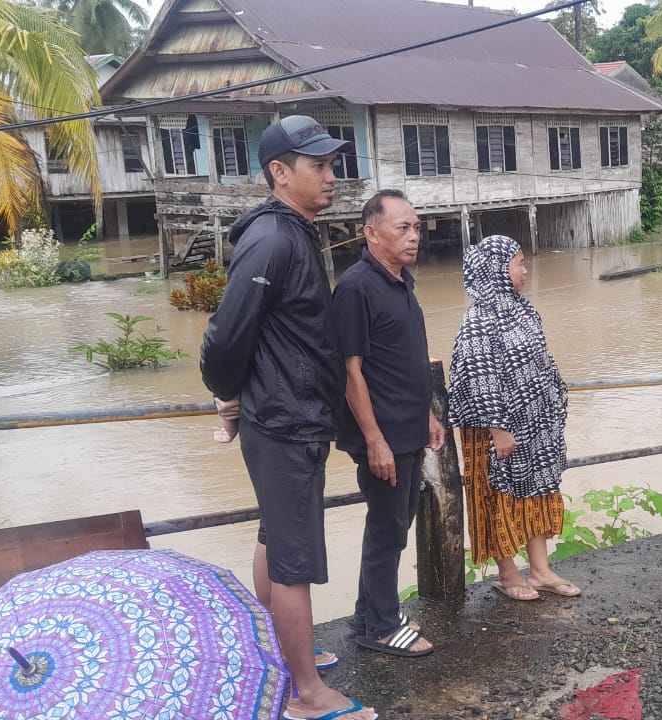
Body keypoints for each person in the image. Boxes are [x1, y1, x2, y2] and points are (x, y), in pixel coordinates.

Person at [201, 115, 376, 720]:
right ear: (279, 172)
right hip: (284, 421)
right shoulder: (273, 240)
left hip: (291, 413)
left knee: (275, 536)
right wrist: (226, 393)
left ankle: (280, 649)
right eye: (318, 166)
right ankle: (305, 693)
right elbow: (226, 335)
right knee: (293, 557)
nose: (332, 176)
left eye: (333, 164)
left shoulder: (294, 231)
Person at [332, 190, 444, 657]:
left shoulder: (400, 282)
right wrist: (374, 439)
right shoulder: (356, 287)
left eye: (416, 227)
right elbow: (350, 371)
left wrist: (427, 413)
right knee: (386, 529)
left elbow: (405, 358)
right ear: (372, 233)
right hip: (382, 433)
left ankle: (369, 614)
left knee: (395, 523)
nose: (414, 236)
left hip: (408, 425)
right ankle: (381, 627)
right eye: (403, 228)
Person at [447, 235, 577, 601]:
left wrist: (552, 406)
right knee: (497, 497)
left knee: (536, 492)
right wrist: (498, 428)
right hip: (496, 431)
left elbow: (542, 361)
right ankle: (508, 574)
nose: (525, 270)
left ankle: (540, 570)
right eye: (518, 263)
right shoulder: (478, 319)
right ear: (496, 269)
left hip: (533, 425)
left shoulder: (522, 309)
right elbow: (479, 376)